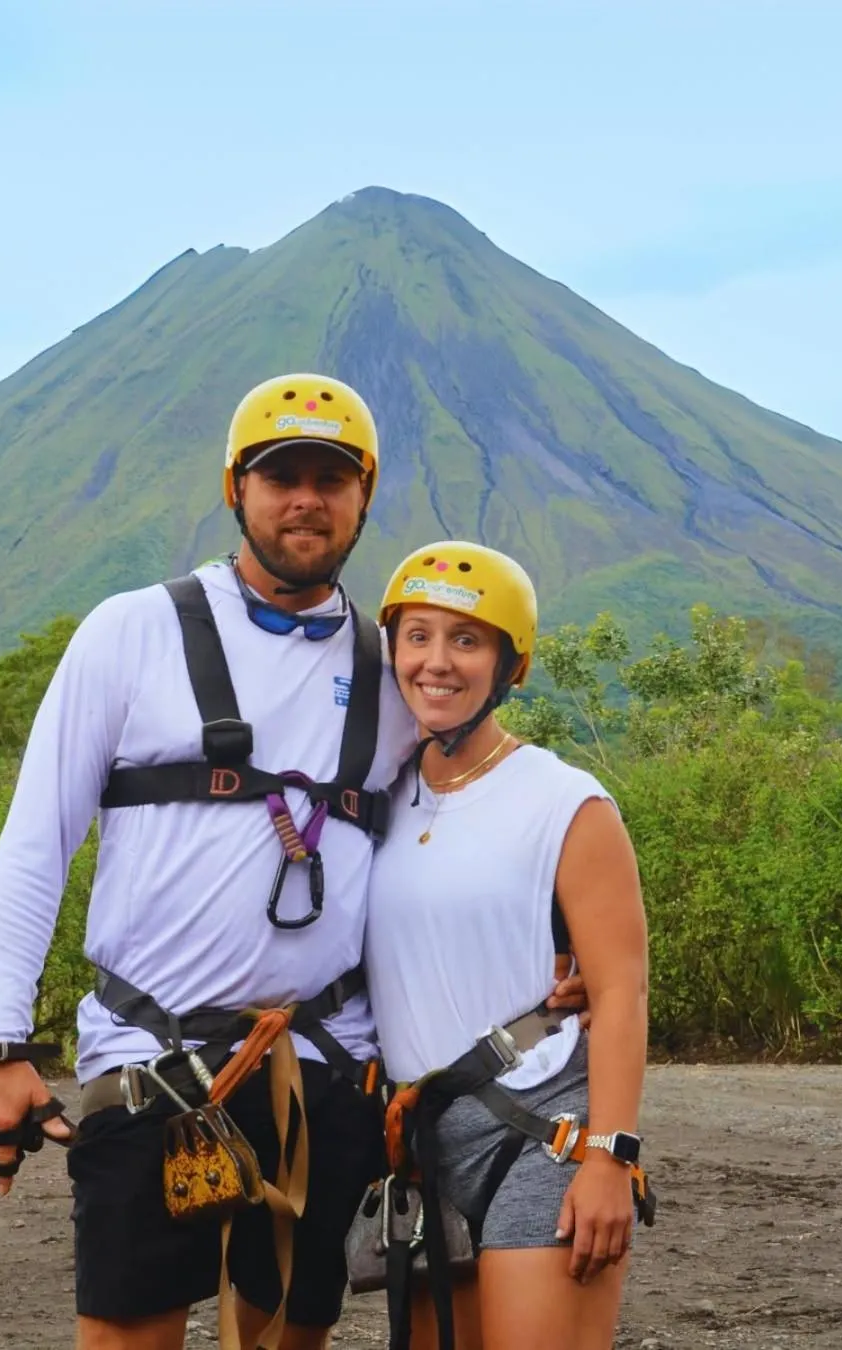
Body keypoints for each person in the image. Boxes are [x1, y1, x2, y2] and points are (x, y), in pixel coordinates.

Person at [0, 377, 588, 1350]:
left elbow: (462, 819)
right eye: (280, 475)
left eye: (331, 479)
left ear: (363, 497)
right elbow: (37, 839)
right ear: (234, 488)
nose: (305, 499)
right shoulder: (132, 632)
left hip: (326, 1072)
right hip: (148, 1056)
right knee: (129, 1337)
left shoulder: (398, 668)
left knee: (292, 1337)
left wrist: (554, 933)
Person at [364, 540, 650, 1350]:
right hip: (418, 1141)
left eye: (466, 640)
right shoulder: (378, 797)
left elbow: (622, 991)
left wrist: (610, 1159)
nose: (437, 663)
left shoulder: (566, 802)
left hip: (541, 1127)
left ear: (509, 663)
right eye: (417, 636)